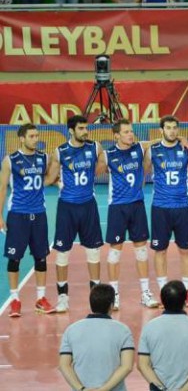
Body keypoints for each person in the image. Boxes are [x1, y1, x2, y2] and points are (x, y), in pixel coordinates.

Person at [98, 119, 158, 310]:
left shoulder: (139, 148)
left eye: (131, 131)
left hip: (137, 205)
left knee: (141, 250)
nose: (130, 134)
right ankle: (114, 294)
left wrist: (181, 139)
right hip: (117, 207)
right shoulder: (108, 155)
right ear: (116, 135)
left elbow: (157, 141)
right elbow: (94, 172)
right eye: (126, 132)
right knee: (115, 252)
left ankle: (145, 293)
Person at [47, 115, 105, 313]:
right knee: (62, 253)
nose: (85, 131)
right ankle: (63, 297)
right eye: (81, 128)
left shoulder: (95, 147)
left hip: (88, 205)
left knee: (94, 251)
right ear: (71, 130)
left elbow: (102, 164)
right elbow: (50, 177)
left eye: (86, 128)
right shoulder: (60, 151)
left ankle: (97, 297)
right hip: (67, 207)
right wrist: (57, 182)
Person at [0, 124, 56, 317]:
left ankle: (41, 299)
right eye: (32, 136)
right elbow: (2, 188)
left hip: (39, 214)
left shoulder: (43, 158)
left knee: (41, 257)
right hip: (17, 215)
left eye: (37, 136)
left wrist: (56, 180)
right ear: (22, 138)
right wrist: (0, 216)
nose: (36, 139)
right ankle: (15, 300)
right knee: (14, 258)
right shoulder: (10, 160)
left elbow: (47, 178)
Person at [143, 115, 188, 306]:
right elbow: (143, 172)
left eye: (175, 128)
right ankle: (162, 291)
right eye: (168, 128)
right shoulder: (153, 150)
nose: (172, 131)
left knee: (185, 250)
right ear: (161, 130)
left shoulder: (185, 149)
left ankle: (187, 291)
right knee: (160, 251)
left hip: (182, 206)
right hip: (160, 207)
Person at [138, 280, 188, 391]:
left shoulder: (149, 328)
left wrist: (161, 388)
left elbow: (143, 365)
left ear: (162, 299)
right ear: (185, 299)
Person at [59, 284, 134, 391]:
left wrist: (81, 389)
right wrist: (103, 389)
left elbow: (64, 365)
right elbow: (127, 366)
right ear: (111, 305)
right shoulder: (123, 330)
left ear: (91, 304)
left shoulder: (71, 330)